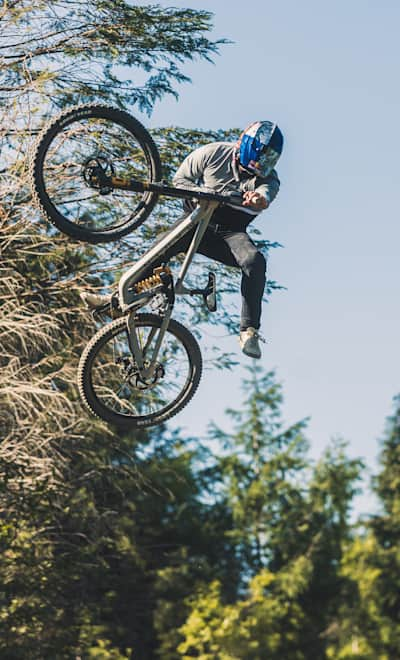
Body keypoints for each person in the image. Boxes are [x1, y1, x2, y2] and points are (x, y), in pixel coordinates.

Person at [82, 120, 283, 359]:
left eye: (265, 163)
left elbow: (265, 196)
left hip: (230, 233)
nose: (256, 168)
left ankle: (249, 331)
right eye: (256, 161)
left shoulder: (269, 179)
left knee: (255, 261)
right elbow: (181, 180)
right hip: (196, 221)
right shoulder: (213, 152)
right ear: (244, 144)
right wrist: (200, 195)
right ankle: (116, 301)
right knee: (158, 251)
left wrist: (258, 199)